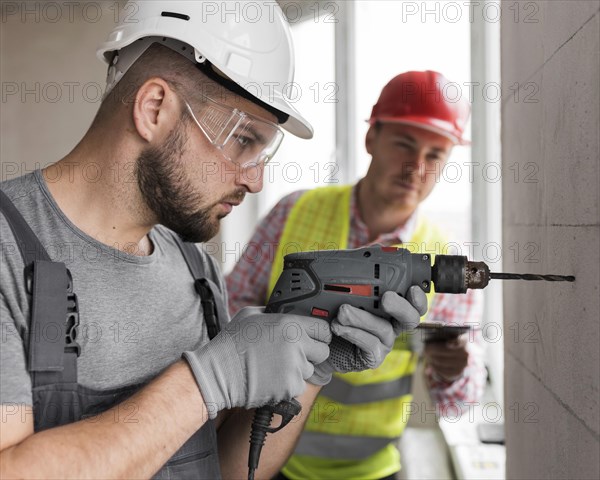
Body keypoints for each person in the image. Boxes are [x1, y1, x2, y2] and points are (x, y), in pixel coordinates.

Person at [0, 3, 427, 479]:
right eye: (243, 139)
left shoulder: (195, 271)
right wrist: (206, 380)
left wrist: (312, 367)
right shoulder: (6, 251)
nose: (256, 180)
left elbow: (222, 467)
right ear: (154, 109)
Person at [227, 70, 487, 480]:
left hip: (375, 469)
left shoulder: (447, 263)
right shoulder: (291, 213)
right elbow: (226, 316)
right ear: (371, 139)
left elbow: (458, 406)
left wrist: (455, 368)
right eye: (404, 144)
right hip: (270, 453)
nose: (416, 166)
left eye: (436, 154)